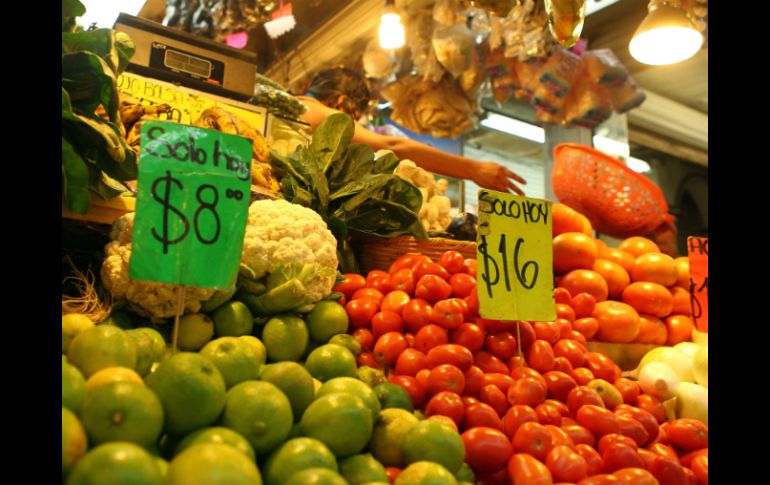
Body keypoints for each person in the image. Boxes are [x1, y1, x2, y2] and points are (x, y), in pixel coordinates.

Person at [297, 68, 527, 195]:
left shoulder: (295, 109)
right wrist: (474, 168)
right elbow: (393, 147)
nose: (353, 127)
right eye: (354, 118)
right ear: (343, 102)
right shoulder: (321, 113)